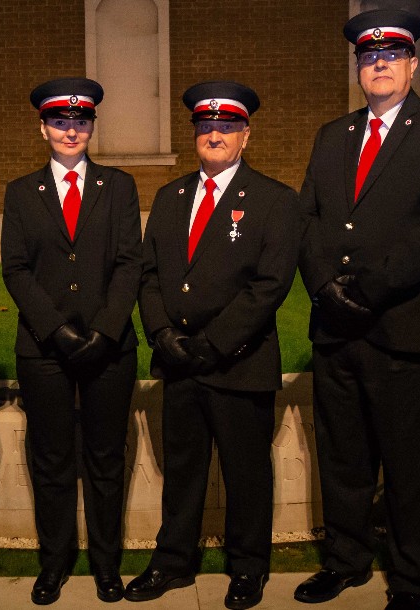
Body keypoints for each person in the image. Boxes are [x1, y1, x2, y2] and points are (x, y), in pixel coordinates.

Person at [292, 9, 420, 610]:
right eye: (369, 58)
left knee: (409, 463)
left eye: (390, 57)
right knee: (343, 457)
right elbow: (310, 219)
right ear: (359, 68)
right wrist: (323, 286)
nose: (379, 65)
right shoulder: (332, 134)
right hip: (337, 329)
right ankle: (346, 561)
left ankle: (416, 578)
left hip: (404, 325)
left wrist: (366, 289)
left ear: (412, 64)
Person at [127, 81, 301, 610]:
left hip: (238, 363)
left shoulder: (274, 200)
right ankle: (174, 562)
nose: (215, 135)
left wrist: (214, 344)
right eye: (206, 127)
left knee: (246, 473)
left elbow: (270, 285)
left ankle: (248, 568)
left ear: (246, 135)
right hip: (180, 361)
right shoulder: (171, 196)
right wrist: (162, 334)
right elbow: (149, 273)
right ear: (195, 134)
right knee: (182, 470)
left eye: (227, 126)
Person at [0, 77, 142, 605]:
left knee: (106, 458)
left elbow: (131, 262)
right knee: (52, 459)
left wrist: (105, 331)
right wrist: (55, 329)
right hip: (44, 351)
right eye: (60, 120)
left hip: (110, 350)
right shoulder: (20, 192)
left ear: (91, 127)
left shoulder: (119, 186)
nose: (70, 129)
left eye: (80, 121)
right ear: (43, 127)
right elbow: (13, 268)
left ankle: (107, 565)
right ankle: (54, 564)